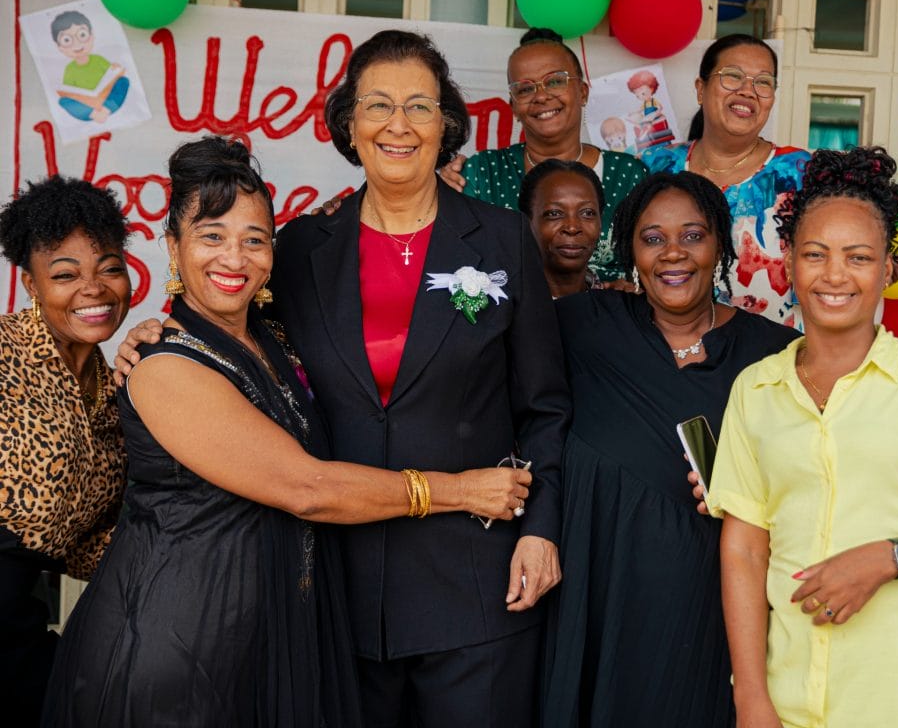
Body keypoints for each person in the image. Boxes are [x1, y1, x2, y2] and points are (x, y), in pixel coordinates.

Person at [117, 31, 571, 726]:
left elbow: (546, 407)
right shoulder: (299, 248)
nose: (399, 125)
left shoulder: (504, 239)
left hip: (480, 583)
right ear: (349, 125)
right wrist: (156, 331)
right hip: (334, 591)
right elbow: (236, 342)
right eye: (379, 106)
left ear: (446, 124)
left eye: (419, 107)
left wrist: (540, 532)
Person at [44, 136, 534, 727]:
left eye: (254, 240)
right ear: (173, 247)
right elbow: (308, 489)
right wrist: (460, 491)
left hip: (261, 640)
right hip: (178, 649)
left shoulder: (272, 338)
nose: (235, 258)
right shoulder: (164, 366)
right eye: (211, 236)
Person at [708, 147, 898, 727]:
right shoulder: (756, 389)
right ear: (788, 262)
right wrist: (751, 694)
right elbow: (745, 549)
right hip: (794, 693)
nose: (834, 275)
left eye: (858, 257)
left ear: (887, 269)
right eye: (815, 254)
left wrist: (889, 558)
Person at [541, 171, 797, 727]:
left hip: (713, 597)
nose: (673, 254)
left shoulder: (775, 353)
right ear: (631, 249)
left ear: (720, 246)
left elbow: (814, 477)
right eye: (653, 238)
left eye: (693, 235)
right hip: (600, 589)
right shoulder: (582, 325)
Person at [0, 177, 132, 724]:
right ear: (32, 285)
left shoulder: (120, 388)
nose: (94, 288)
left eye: (108, 267)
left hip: (18, 626)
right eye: (65, 275)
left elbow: (81, 544)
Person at [642, 33, 811, 325]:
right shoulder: (656, 165)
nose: (748, 90)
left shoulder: (799, 172)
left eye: (763, 82)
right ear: (700, 89)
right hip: (667, 354)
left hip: (772, 357)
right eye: (733, 76)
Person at [454, 28, 648, 280]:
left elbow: (646, 264)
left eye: (555, 81)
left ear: (583, 92)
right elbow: (463, 267)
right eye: (525, 89)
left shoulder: (628, 175)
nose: (542, 96)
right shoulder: (484, 172)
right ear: (513, 106)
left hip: (607, 317)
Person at [517, 159, 605, 298]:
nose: (572, 228)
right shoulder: (502, 308)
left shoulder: (619, 308)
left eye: (587, 213)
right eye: (554, 213)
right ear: (527, 222)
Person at [51, 11, 129, 124]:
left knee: (123, 81)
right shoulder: (70, 69)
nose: (77, 44)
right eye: (67, 40)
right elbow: (69, 91)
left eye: (82, 35)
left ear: (91, 37)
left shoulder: (98, 59)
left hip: (106, 99)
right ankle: (94, 114)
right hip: (87, 107)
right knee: (63, 101)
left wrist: (115, 69)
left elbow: (110, 74)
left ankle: (106, 110)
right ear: (60, 48)